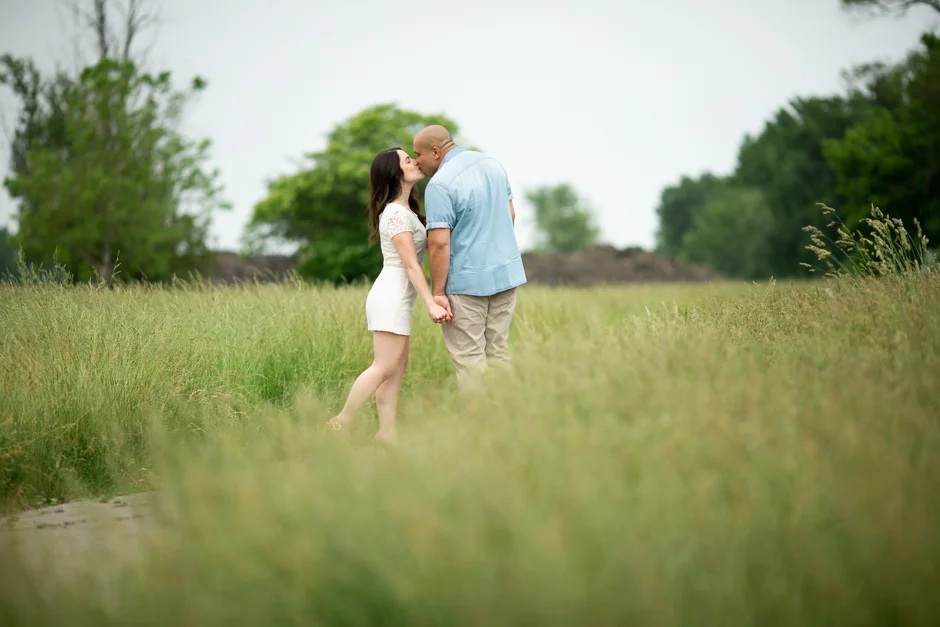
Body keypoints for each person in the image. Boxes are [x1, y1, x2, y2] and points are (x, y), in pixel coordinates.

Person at [325, 147, 452, 446]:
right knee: (382, 367)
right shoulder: (395, 213)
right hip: (391, 295)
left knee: (395, 368)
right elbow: (410, 264)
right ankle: (340, 421)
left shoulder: (406, 209)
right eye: (408, 160)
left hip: (398, 297)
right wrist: (431, 303)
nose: (415, 161)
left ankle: (386, 434)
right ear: (395, 172)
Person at [413, 125, 527, 393]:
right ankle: (512, 420)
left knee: (470, 361)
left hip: (466, 286)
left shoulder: (439, 185)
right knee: (498, 353)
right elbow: (510, 215)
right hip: (506, 276)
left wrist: (438, 292)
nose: (416, 160)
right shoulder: (492, 164)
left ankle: (479, 427)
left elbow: (439, 244)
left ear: (436, 152)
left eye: (418, 154)